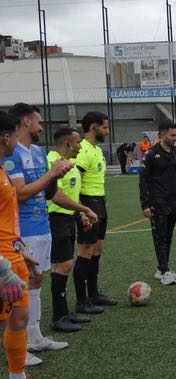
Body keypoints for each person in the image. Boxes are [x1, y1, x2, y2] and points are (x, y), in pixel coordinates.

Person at [4, 103, 97, 360]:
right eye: (38, 121)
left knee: (36, 280)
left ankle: (34, 337)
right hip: (22, 230)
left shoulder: (38, 152)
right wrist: (53, 173)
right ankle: (19, 346)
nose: (41, 126)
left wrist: (79, 205)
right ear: (25, 121)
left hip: (42, 227)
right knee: (20, 287)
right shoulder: (12, 153)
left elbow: (49, 193)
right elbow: (20, 193)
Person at [0, 110, 41, 379]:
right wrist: (3, 269)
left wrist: (20, 250)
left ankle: (18, 377)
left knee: (19, 318)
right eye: (15, 135)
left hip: (13, 255)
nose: (17, 141)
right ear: (6, 137)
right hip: (3, 263)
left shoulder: (2, 170)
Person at [46, 127, 97, 333]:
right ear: (68, 143)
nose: (80, 147)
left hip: (67, 218)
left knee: (65, 265)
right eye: (77, 143)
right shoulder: (53, 162)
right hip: (55, 218)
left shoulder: (69, 163)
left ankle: (64, 313)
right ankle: (59, 317)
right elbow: (56, 196)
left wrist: (79, 214)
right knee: (62, 265)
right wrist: (84, 209)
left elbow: (70, 194)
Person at [139, 121, 176, 286]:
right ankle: (164, 271)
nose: (175, 138)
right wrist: (145, 204)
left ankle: (161, 268)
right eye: (172, 135)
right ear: (162, 135)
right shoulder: (150, 154)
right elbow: (143, 181)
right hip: (157, 202)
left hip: (173, 200)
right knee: (160, 236)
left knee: (168, 235)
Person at [74, 111, 117, 315]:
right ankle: (81, 301)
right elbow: (76, 180)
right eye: (104, 127)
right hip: (88, 202)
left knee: (97, 249)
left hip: (99, 202)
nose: (107, 131)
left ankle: (93, 294)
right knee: (86, 250)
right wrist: (82, 210)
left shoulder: (96, 149)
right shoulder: (83, 149)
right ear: (93, 127)